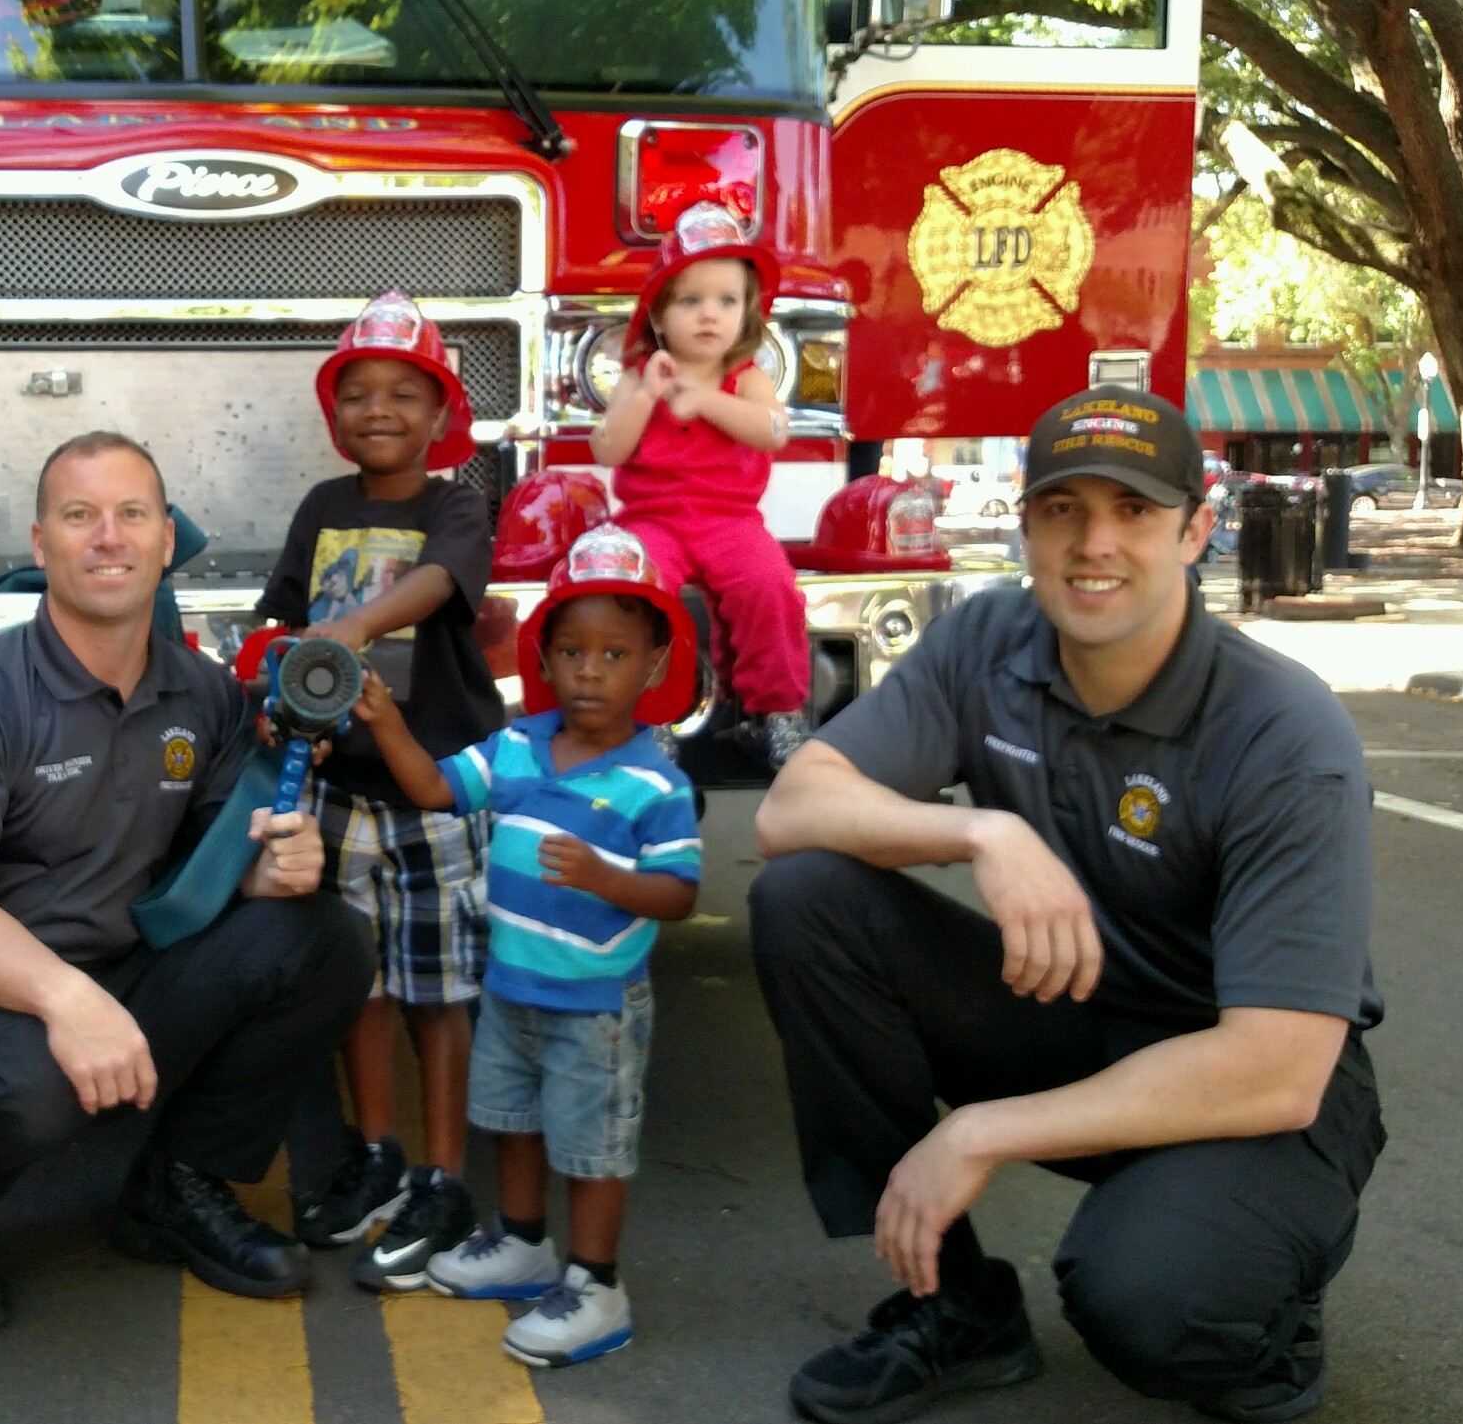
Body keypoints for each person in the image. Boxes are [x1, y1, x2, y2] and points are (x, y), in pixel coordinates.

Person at [748, 387, 1385, 1424]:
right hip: (1080, 1017)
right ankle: (954, 1304)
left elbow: (1278, 1063)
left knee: (1151, 1299)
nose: (1095, 543)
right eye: (1063, 508)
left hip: (1255, 1084)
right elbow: (790, 810)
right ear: (1026, 523)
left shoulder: (1284, 732)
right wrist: (980, 832)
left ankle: (1262, 1315)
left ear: (1197, 530)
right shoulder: (992, 638)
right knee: (807, 899)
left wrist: (979, 1132)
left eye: (1133, 510)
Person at [0, 431, 370, 1335]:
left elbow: (210, 870)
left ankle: (174, 1187)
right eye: (80, 516)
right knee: (23, 1082)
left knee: (326, 937)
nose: (109, 537)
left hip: (127, 967)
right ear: (40, 542)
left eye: (132, 514)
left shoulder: (206, 696)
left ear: (165, 540)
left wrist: (270, 871)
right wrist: (66, 998)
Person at [352, 524, 703, 1368]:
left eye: (615, 654)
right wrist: (389, 722)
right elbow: (439, 789)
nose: (590, 670)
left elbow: (681, 893)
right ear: (543, 656)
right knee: (511, 1124)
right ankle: (522, 1243)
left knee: (591, 1147)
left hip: (597, 1005)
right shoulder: (517, 747)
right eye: (572, 650)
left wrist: (607, 880)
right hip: (510, 989)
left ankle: (596, 1284)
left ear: (654, 664)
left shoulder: (657, 782)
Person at [257, 292, 506, 1289]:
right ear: (334, 414)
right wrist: (273, 675)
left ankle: (446, 1175)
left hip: (434, 788)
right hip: (338, 791)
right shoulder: (322, 507)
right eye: (356, 392)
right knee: (356, 983)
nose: (379, 409)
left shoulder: (455, 503)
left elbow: (444, 581)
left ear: (441, 414)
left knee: (439, 996)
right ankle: (379, 1156)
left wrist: (351, 630)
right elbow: (281, 615)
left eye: (406, 392)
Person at [591, 199, 812, 766]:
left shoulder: (746, 379)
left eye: (726, 301)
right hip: (652, 521)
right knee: (642, 597)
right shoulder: (641, 375)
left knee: (769, 585)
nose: (709, 314)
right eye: (690, 301)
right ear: (660, 317)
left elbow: (774, 432)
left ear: (747, 314)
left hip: (730, 522)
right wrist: (645, 397)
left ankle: (775, 712)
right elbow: (607, 447)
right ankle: (649, 715)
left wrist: (707, 400)